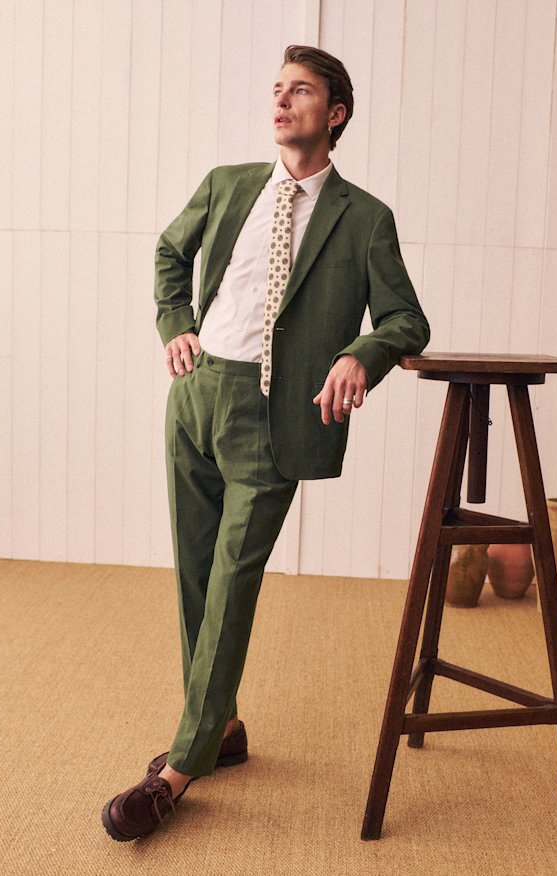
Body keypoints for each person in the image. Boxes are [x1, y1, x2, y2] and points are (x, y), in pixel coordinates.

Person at [102, 44, 429, 842]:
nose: (281, 101)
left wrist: (360, 355)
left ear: (335, 114)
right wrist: (176, 326)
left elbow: (405, 320)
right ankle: (222, 727)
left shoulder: (364, 218)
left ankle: (181, 766)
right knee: (193, 573)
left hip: (273, 417)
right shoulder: (228, 184)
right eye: (277, 89)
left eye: (301, 91)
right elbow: (170, 251)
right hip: (197, 394)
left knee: (231, 579)